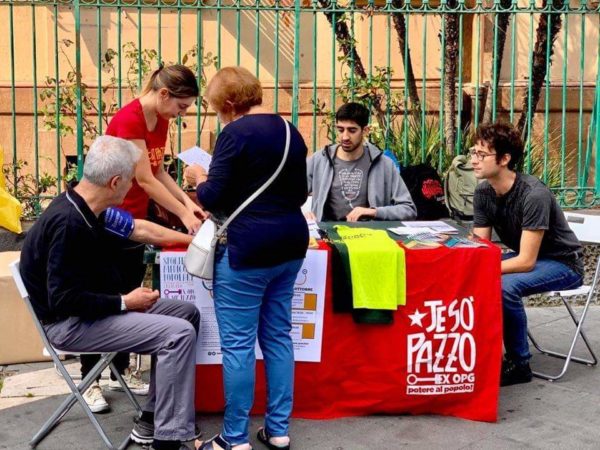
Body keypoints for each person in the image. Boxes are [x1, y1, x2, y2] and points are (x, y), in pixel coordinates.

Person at [19, 135, 201, 450]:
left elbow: (139, 229)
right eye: (130, 181)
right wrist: (124, 302)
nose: (133, 188)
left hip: (92, 311)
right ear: (115, 181)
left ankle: (152, 418)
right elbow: (61, 299)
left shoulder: (91, 207)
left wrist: (196, 241)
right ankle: (170, 438)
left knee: (187, 313)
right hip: (70, 324)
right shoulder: (69, 224)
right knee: (178, 335)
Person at [184, 67, 308, 450]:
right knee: (278, 337)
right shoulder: (292, 132)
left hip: (246, 249)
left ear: (231, 105)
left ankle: (234, 437)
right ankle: (278, 430)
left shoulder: (234, 134)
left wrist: (198, 178)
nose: (217, 114)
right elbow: (301, 193)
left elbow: (213, 197)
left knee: (237, 344)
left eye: (216, 107)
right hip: (290, 244)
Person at [81, 64, 207, 411]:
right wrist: (182, 214)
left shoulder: (160, 119)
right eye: (181, 107)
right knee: (107, 293)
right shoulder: (129, 120)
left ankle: (118, 369)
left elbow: (159, 171)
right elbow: (144, 179)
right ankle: (90, 378)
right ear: (164, 94)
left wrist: (187, 203)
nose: (182, 114)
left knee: (132, 289)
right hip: (113, 216)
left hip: (136, 216)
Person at [471, 122, 584, 387]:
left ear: (504, 159)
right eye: (473, 152)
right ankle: (484, 355)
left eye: (481, 154)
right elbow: (480, 246)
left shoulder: (534, 195)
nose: (473, 160)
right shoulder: (483, 192)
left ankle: (519, 364)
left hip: (563, 263)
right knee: (471, 276)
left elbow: (525, 261)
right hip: (529, 258)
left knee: (504, 287)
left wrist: (484, 268)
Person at [306, 102, 416, 222]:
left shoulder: (384, 165)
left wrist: (373, 212)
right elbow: (286, 198)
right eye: (340, 130)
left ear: (365, 131)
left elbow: (409, 210)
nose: (345, 137)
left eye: (352, 130)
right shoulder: (319, 160)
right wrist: (301, 214)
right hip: (328, 235)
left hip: (371, 236)